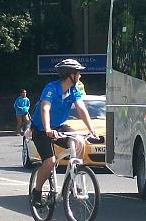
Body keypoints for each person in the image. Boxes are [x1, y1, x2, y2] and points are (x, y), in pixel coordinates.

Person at [29, 59, 98, 207]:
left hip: (59, 126)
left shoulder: (73, 91)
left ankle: (75, 178)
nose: (80, 76)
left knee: (79, 141)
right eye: (78, 73)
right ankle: (37, 192)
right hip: (41, 129)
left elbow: (81, 109)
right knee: (50, 162)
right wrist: (47, 129)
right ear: (70, 75)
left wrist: (92, 129)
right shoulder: (51, 88)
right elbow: (45, 108)